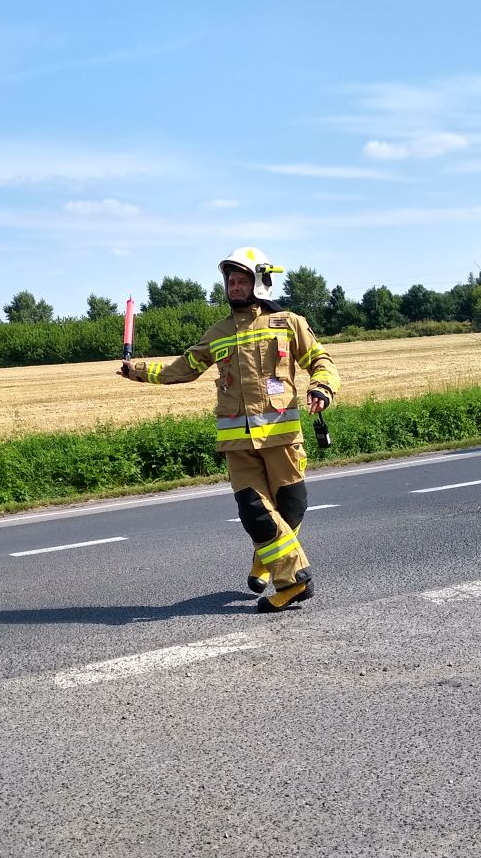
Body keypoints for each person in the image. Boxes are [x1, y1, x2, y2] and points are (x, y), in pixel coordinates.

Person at [119, 246, 340, 611]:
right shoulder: (217, 332)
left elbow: (320, 359)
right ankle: (293, 582)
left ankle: (265, 560)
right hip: (237, 444)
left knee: (291, 509)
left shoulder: (288, 323)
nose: (235, 287)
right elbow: (182, 370)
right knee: (255, 512)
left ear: (260, 282)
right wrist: (137, 371)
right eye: (230, 281)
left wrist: (323, 387)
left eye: (242, 280)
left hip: (282, 438)